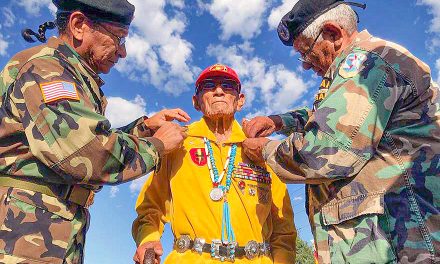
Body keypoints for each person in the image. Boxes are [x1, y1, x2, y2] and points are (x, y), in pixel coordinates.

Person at [241, 0, 440, 263]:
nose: (304, 65)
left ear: (333, 34)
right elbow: (330, 115)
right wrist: (280, 122)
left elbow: (325, 150)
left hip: (403, 245)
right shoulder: (368, 64)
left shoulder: (368, 64)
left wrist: (265, 150)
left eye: (306, 52)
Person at [0, 0, 188, 263]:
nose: (122, 52)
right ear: (79, 26)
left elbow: (85, 137)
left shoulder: (70, 72)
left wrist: (144, 128)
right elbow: (86, 153)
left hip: (50, 233)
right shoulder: (47, 69)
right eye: (119, 39)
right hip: (22, 237)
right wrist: (157, 146)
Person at [132, 64, 297, 264]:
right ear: (196, 101)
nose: (219, 91)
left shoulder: (260, 147)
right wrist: (149, 239)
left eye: (228, 86)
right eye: (208, 85)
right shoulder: (177, 143)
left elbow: (283, 227)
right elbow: (151, 206)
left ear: (240, 100)